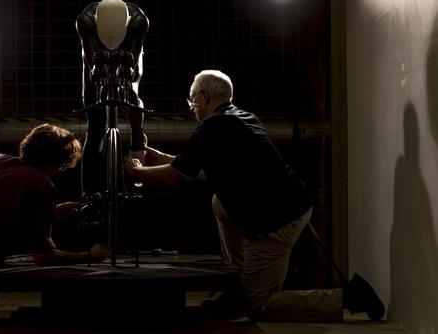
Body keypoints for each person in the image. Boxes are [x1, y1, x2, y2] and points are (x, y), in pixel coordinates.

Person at [125, 70, 385, 322]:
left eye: (192, 100)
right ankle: (238, 282)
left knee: (260, 306)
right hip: (290, 205)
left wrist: (137, 172)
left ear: (204, 96)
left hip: (277, 221)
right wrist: (162, 158)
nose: (191, 107)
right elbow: (208, 170)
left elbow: (174, 177)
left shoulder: (211, 127)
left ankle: (349, 298)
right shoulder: (242, 118)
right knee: (220, 203)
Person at [0, 123, 109, 322]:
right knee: (14, 251)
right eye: (62, 166)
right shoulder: (42, 184)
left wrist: (53, 211)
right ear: (55, 162)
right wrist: (90, 256)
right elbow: (43, 256)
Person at [76, 0, 149, 204]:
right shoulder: (85, 21)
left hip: (129, 48)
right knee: (95, 126)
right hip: (95, 51)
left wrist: (129, 67)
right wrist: (95, 69)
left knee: (132, 88)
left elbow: (134, 65)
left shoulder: (138, 21)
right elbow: (90, 61)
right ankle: (89, 195)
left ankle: (137, 138)